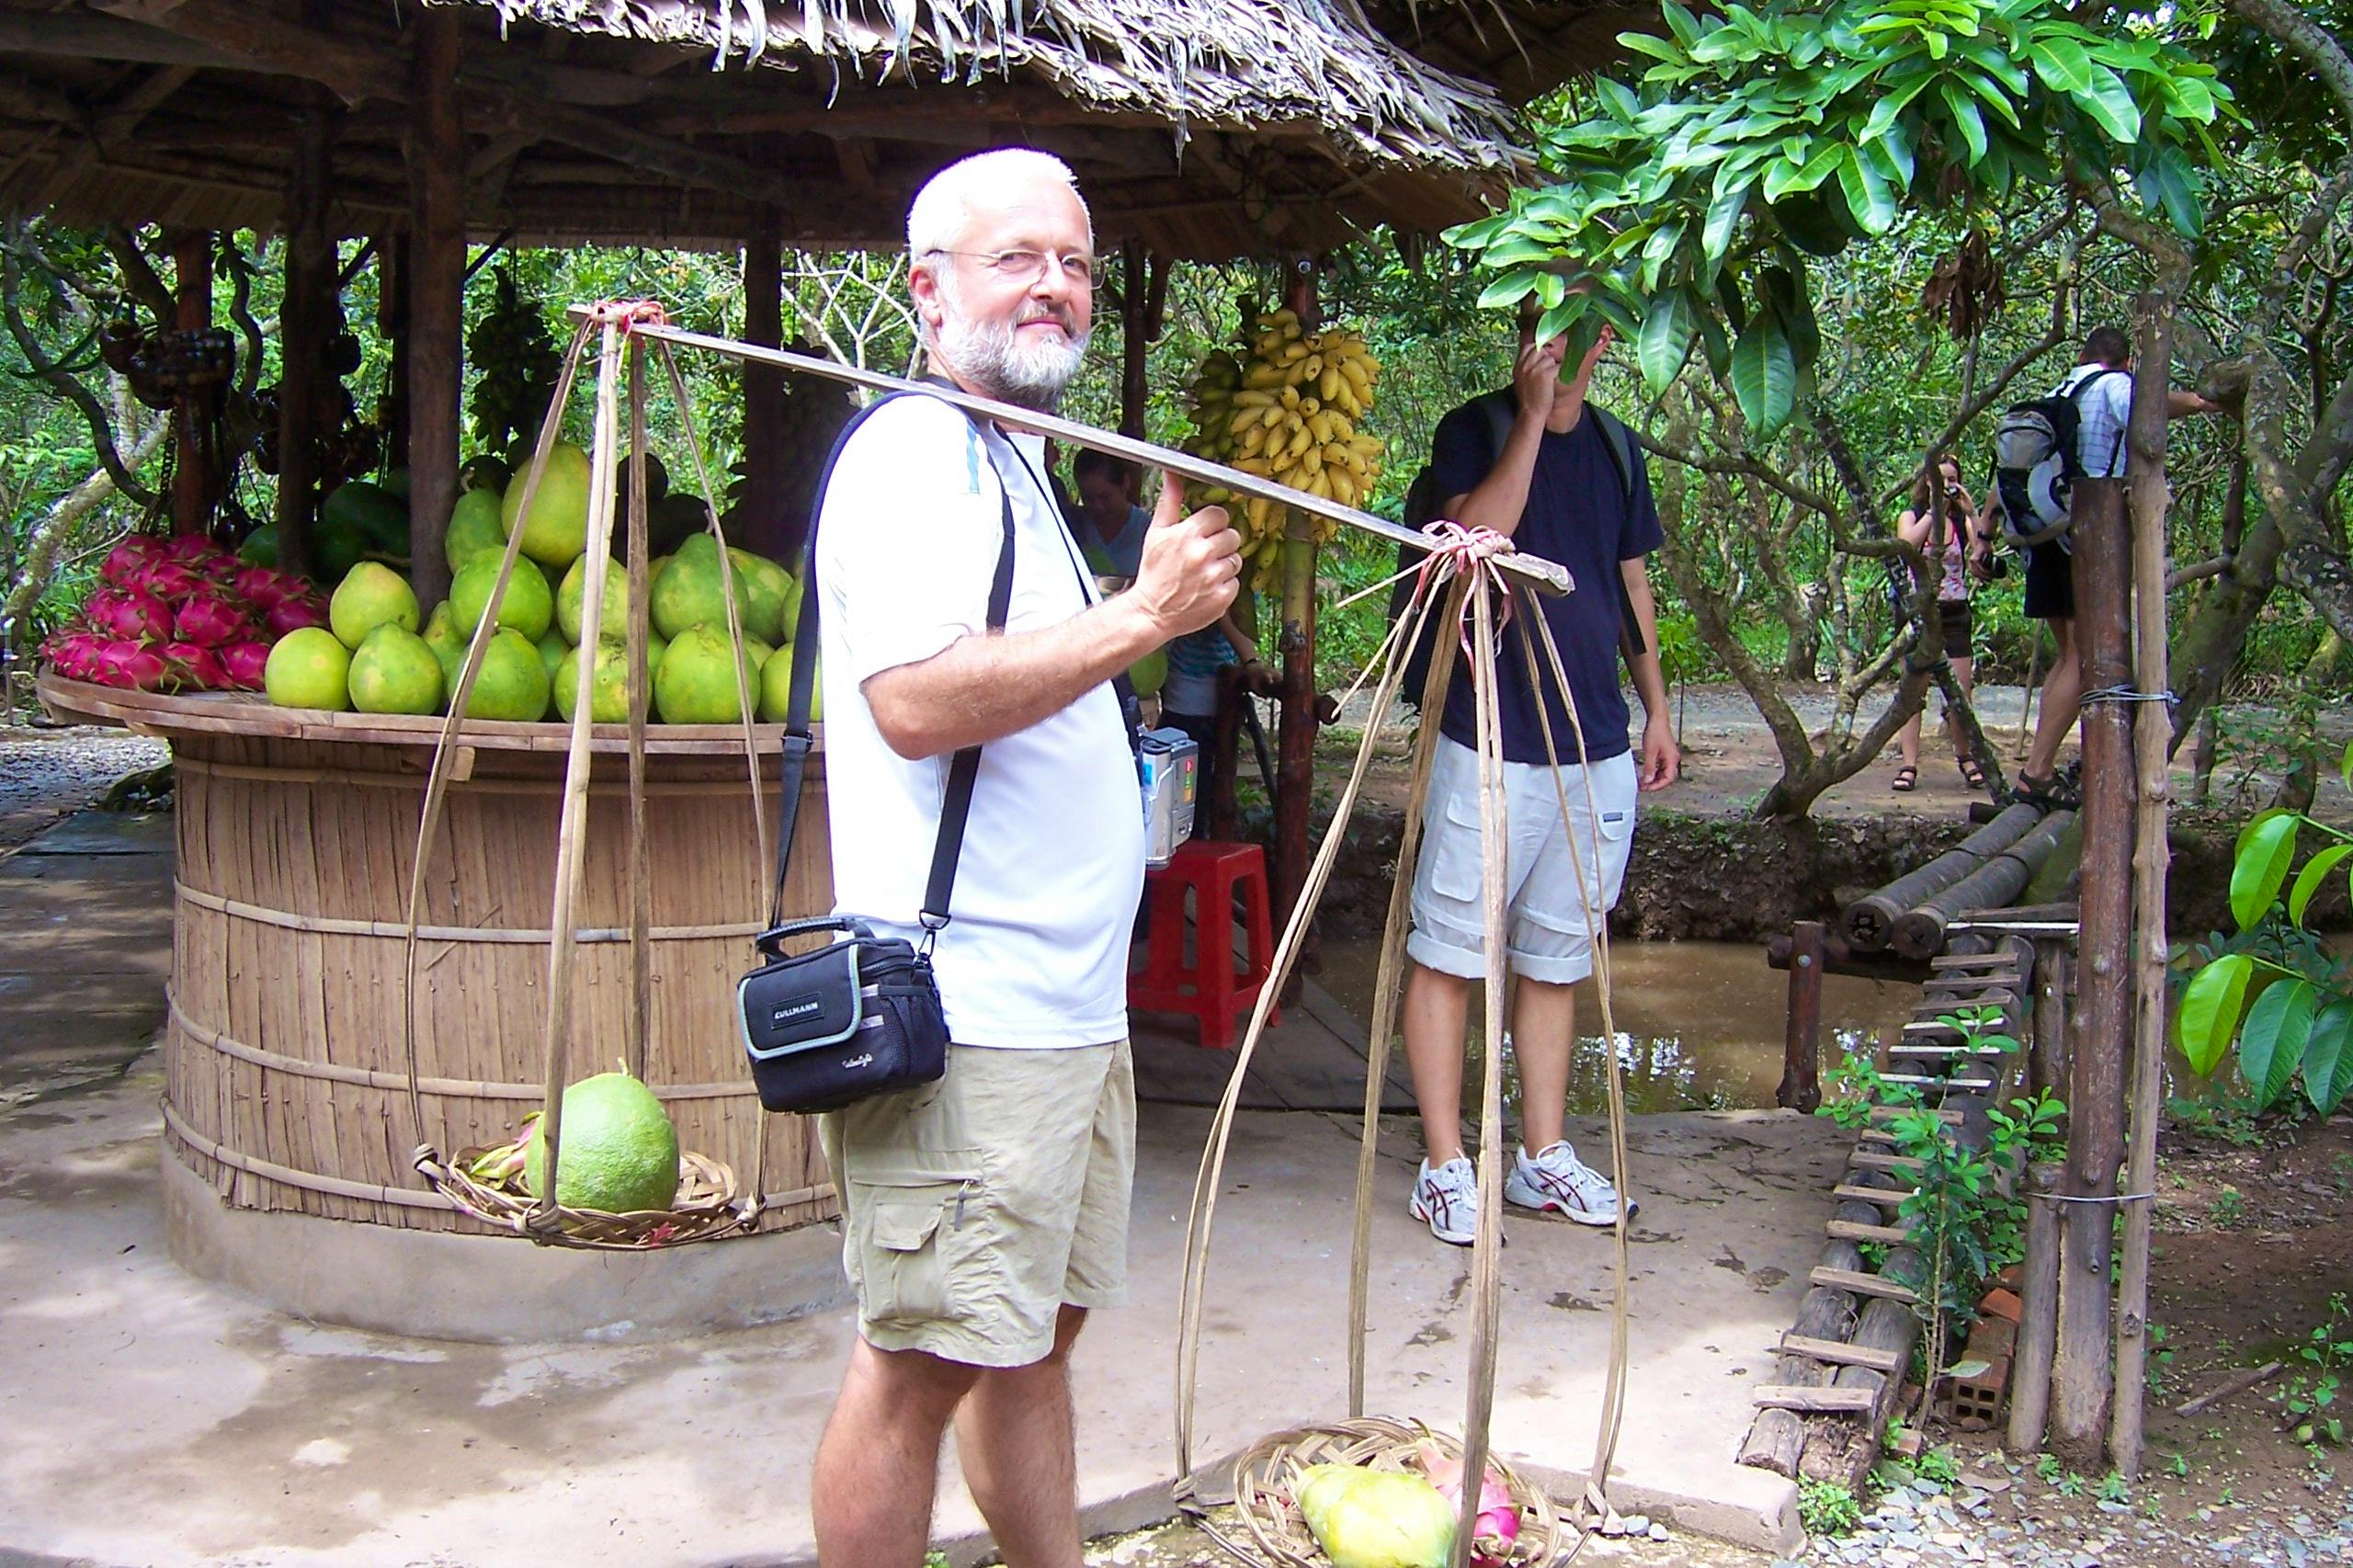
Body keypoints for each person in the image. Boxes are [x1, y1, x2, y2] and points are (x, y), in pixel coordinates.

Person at [807, 147, 1242, 1568]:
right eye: (1018, 257)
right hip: (966, 1010)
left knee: (1029, 1341)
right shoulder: (912, 454)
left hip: (1060, 1011)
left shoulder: (1015, 467)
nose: (1055, 284)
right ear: (930, 292)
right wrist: (1144, 619)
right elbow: (918, 702)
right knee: (917, 1359)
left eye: (1075, 261)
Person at [1401, 317, 1680, 1246]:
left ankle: (1541, 1157)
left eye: (1574, 327)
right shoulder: (1472, 428)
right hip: (1488, 735)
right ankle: (1446, 1165)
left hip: (1592, 740)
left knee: (1557, 959)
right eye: (1536, 321)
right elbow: (1478, 536)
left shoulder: (1616, 446)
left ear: (1604, 339)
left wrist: (1658, 709)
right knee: (1449, 951)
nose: (1555, 343)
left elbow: (1631, 585)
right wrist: (1527, 418)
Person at [2013, 325, 2220, 809]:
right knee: (2083, 660)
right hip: (2086, 534)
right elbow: (2146, 418)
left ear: (2083, 354)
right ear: (2123, 362)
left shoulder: (2058, 391)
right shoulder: (2113, 384)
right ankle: (2036, 773)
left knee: (2067, 656)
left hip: (2043, 531)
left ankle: (2039, 768)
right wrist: (2203, 403)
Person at [1891, 453, 1994, 793]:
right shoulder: (1912, 515)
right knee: (1913, 692)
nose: (1947, 486)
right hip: (1920, 613)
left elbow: (1982, 552)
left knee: (1960, 695)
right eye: (1941, 480)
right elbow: (1907, 545)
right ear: (1927, 482)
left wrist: (1971, 511)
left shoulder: (1961, 521)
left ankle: (1965, 757)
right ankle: (1909, 764)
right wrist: (1934, 513)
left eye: (1952, 480)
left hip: (1955, 614)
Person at [1070, 449, 1151, 579]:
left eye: (1104, 497)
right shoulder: (1074, 526)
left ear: (1125, 483)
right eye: (1088, 498)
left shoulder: (1148, 531)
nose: (1097, 507)